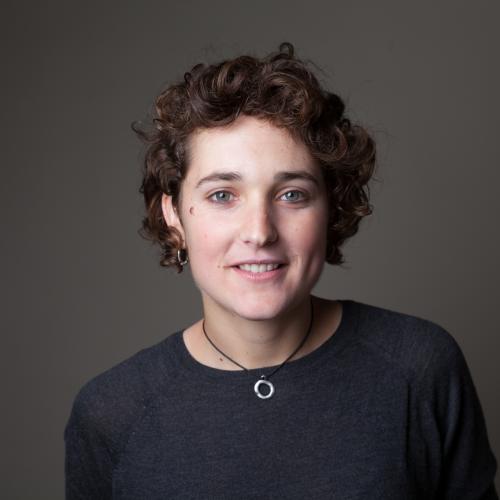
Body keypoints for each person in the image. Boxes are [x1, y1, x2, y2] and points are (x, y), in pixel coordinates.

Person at [64, 43, 498, 499]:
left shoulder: (419, 368)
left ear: (331, 208)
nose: (259, 232)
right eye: (222, 195)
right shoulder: (111, 413)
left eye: (292, 194)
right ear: (173, 214)